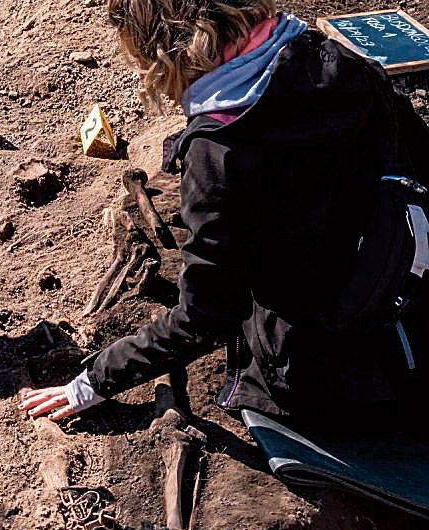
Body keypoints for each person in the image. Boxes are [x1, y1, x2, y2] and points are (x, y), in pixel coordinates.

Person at [22, 0, 429, 422]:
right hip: (412, 305)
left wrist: (94, 380)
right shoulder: (339, 61)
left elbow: (207, 317)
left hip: (335, 368)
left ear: (162, 50)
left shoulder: (219, 152)